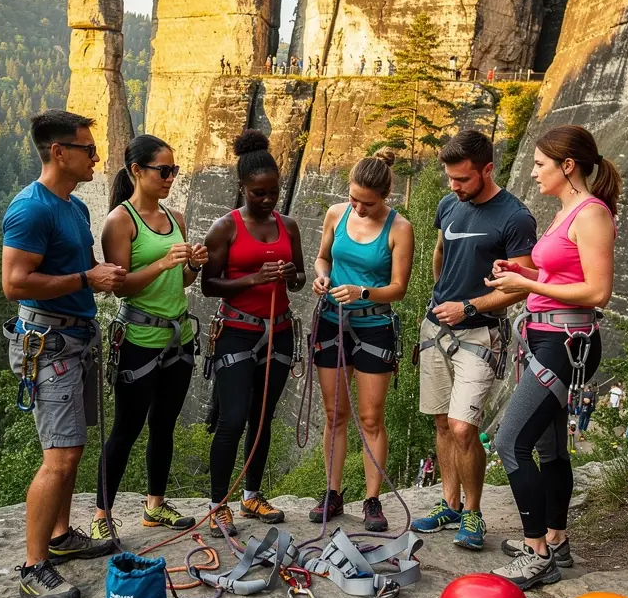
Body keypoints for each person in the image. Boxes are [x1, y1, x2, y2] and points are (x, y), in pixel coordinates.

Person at [1, 110, 127, 598]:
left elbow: (76, 268)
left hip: (74, 339)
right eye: (88, 150)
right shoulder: (31, 209)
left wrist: (99, 272)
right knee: (59, 455)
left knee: (71, 446)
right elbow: (14, 283)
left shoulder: (72, 208)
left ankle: (59, 535)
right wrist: (85, 281)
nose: (97, 157)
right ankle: (34, 567)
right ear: (59, 152)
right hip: (49, 344)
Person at [487, 124, 621, 588]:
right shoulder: (568, 211)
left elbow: (597, 290)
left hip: (567, 342)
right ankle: (556, 540)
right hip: (548, 337)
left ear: (568, 166)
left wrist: (526, 284)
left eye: (540, 163)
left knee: (510, 443)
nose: (533, 170)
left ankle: (534, 552)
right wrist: (520, 267)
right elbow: (560, 270)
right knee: (549, 448)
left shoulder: (591, 215)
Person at [411, 130, 537, 550]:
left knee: (465, 428)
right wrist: (439, 298)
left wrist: (468, 307)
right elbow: (440, 253)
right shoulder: (450, 204)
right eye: (449, 178)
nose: (453, 187)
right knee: (443, 423)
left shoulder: (515, 218)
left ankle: (473, 513)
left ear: (487, 169)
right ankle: (449, 504)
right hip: (437, 329)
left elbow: (520, 286)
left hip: (481, 333)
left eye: (462, 179)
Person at [93, 135, 207, 541]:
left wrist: (192, 264)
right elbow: (120, 286)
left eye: (174, 170)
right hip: (139, 337)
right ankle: (101, 512)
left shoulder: (175, 218)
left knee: (164, 424)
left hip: (179, 335)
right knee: (127, 426)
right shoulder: (119, 222)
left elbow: (184, 281)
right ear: (136, 171)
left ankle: (154, 505)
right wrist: (163, 261)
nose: (171, 178)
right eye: (164, 170)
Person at [202, 130, 306, 537]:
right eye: (258, 193)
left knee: (262, 418)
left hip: (279, 331)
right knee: (232, 419)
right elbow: (209, 285)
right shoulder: (224, 228)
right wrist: (251, 279)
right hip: (237, 332)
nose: (267, 200)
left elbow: (297, 278)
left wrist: (289, 276)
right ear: (242, 187)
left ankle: (252, 494)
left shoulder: (289, 226)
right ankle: (217, 505)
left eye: (273, 192)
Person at [309, 152, 415, 532]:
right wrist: (322, 277)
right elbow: (322, 258)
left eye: (367, 203)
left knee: (371, 417)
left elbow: (399, 289)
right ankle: (332, 492)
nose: (358, 207)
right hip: (331, 321)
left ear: (385, 196)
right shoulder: (336, 214)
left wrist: (363, 292)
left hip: (373, 326)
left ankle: (372, 500)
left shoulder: (399, 228)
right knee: (335, 413)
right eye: (354, 198)